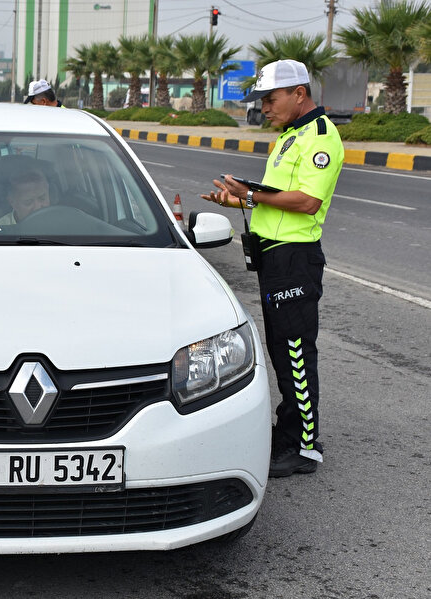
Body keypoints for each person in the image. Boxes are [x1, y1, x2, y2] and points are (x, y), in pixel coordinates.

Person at [199, 59, 343, 478]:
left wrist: (254, 196)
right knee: (281, 350)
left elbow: (306, 202)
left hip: (295, 259)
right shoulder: (289, 136)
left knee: (296, 352)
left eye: (271, 98)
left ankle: (304, 447)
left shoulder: (319, 137)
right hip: (274, 256)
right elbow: (276, 197)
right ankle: (290, 431)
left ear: (299, 93)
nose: (265, 106)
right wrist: (238, 200)